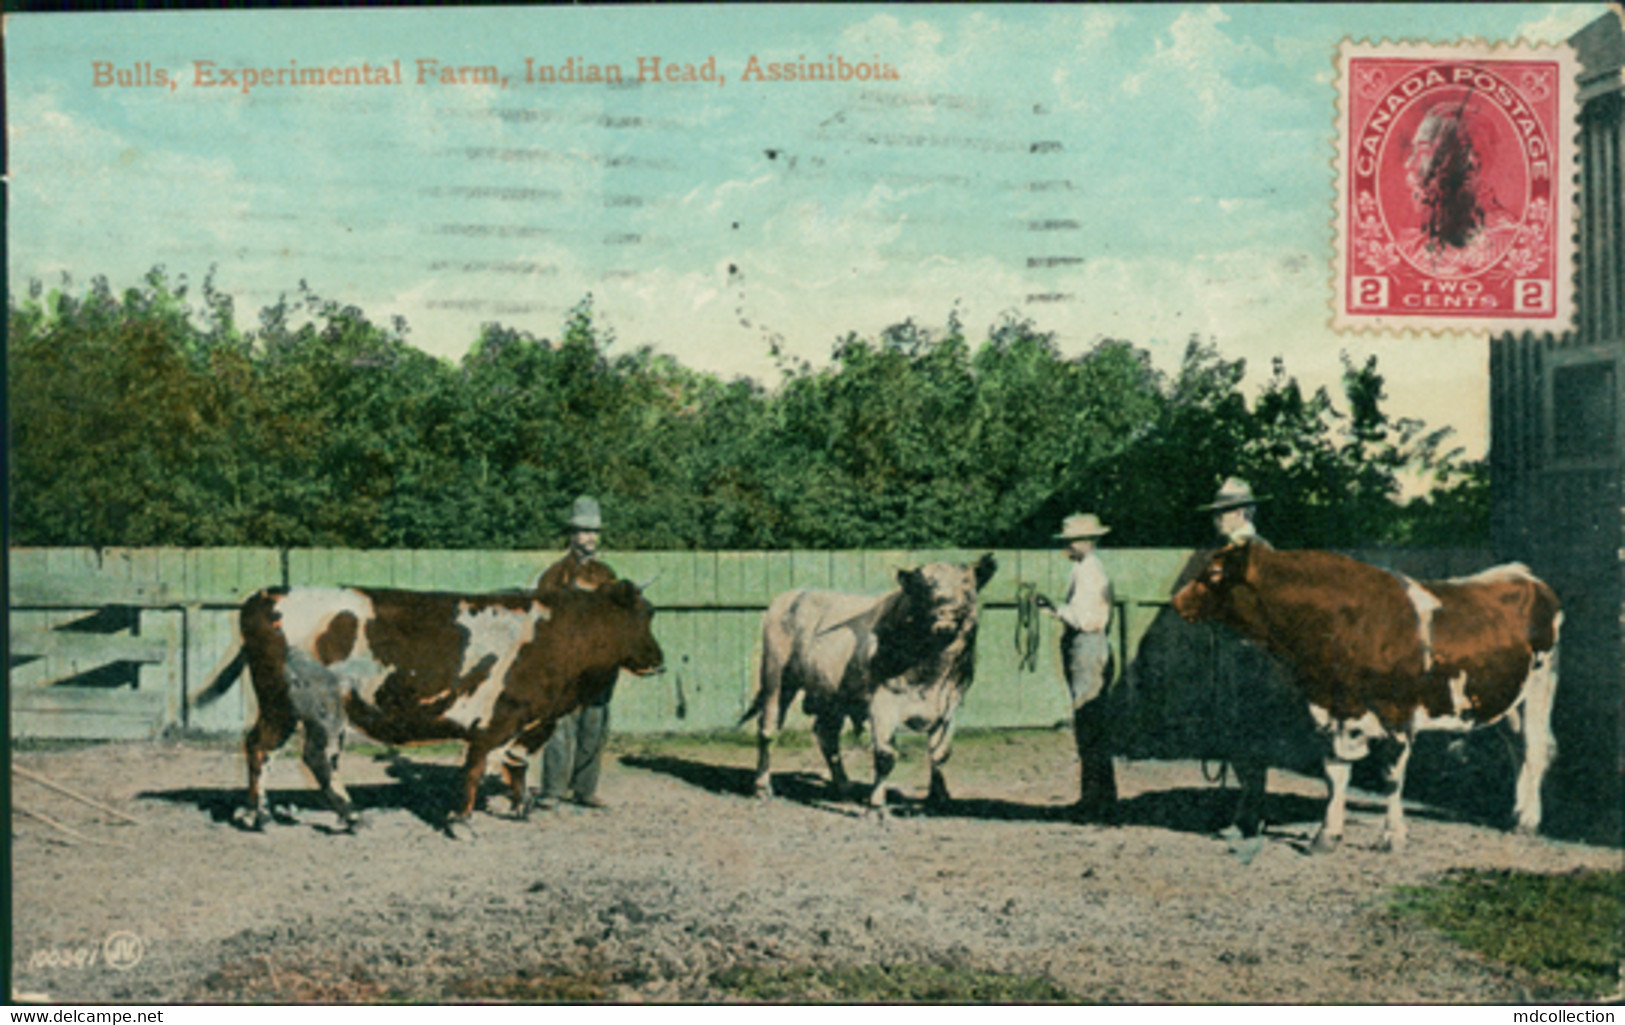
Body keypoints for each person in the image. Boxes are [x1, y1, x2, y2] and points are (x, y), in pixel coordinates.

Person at [531, 495, 618, 811]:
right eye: (583, 531)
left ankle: (585, 789)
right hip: (564, 667)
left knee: (594, 726)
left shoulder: (607, 575)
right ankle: (552, 790)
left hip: (598, 666)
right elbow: (541, 621)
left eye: (594, 531)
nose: (590, 538)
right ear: (571, 534)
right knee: (558, 726)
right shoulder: (553, 576)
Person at [1035, 512, 1118, 821]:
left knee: (1090, 723)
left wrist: (1054, 609)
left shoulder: (1089, 573)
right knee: (1091, 725)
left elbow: (1084, 618)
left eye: (1072, 540)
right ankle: (1098, 797)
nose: (1068, 546)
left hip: (1087, 644)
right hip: (1089, 645)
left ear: (1086, 541)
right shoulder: (1086, 569)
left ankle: (1096, 800)